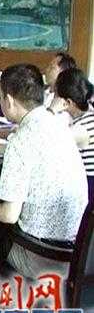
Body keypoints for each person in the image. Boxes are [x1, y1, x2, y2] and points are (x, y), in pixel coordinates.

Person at [0, 64, 87, 279]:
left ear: (9, 100)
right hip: (76, 255)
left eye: (1, 97)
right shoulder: (59, 125)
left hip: (39, 256)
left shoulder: (21, 139)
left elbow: (8, 214)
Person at [50, 68, 94, 215]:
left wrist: (51, 111)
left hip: (86, 193)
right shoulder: (87, 117)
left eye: (55, 95)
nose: (52, 98)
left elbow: (44, 140)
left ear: (67, 102)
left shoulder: (82, 129)